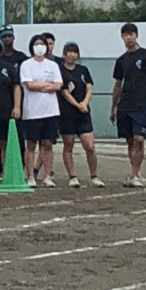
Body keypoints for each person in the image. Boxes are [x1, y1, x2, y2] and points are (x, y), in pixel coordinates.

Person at [110, 23, 146, 186]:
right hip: (124, 105)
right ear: (122, 37)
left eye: (131, 34)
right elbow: (118, 84)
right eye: (125, 34)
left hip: (141, 105)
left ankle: (136, 174)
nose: (129, 37)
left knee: (139, 139)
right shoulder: (121, 60)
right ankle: (134, 173)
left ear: (136, 35)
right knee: (130, 140)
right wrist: (113, 108)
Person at [18, 33, 62, 187]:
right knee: (31, 144)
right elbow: (29, 85)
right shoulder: (26, 65)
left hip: (50, 111)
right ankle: (30, 176)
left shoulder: (53, 65)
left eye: (42, 44)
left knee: (48, 144)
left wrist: (41, 85)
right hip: (32, 112)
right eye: (36, 44)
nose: (40, 47)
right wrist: (47, 85)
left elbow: (58, 85)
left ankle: (47, 176)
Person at [57, 42, 100, 187]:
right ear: (64, 54)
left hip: (84, 113)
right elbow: (64, 92)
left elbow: (89, 87)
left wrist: (84, 103)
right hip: (67, 113)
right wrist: (76, 104)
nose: (72, 55)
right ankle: (72, 176)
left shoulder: (83, 70)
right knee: (68, 144)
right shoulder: (60, 70)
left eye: (75, 52)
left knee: (90, 146)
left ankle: (94, 175)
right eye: (69, 52)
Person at [0, 35, 22, 180]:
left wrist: (17, 106)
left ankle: (6, 172)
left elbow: (16, 87)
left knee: (4, 143)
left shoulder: (7, 68)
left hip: (5, 111)